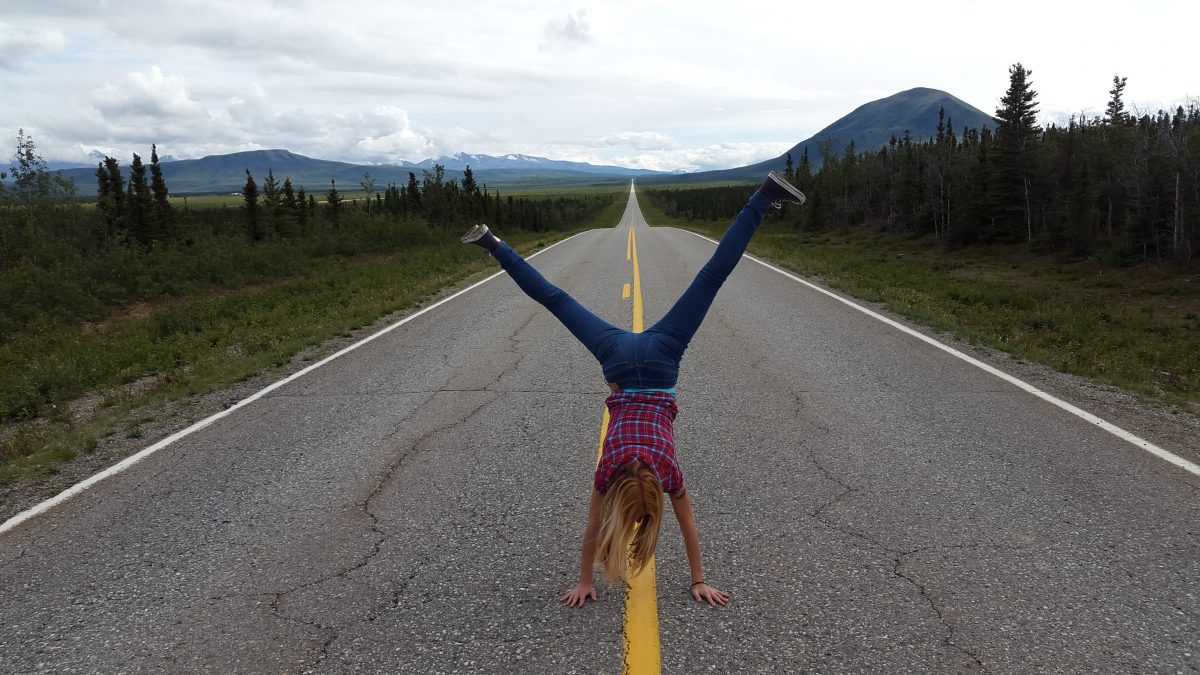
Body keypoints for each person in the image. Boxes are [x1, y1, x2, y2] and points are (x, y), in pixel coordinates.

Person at [462, 172, 805, 608]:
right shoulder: (608, 471)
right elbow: (591, 530)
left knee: (711, 278)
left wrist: (700, 577)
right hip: (619, 361)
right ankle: (492, 242)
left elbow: (687, 525)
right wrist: (584, 578)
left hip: (661, 359)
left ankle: (764, 196)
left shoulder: (667, 473)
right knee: (556, 301)